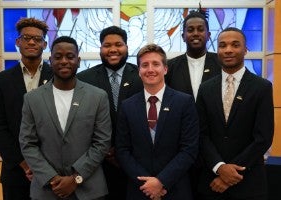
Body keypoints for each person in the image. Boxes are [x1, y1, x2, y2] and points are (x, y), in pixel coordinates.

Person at [19, 36, 112, 200]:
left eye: (70, 56)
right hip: (47, 190)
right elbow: (27, 143)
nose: (64, 61)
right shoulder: (32, 99)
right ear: (50, 60)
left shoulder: (97, 97)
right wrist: (52, 178)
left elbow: (102, 142)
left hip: (89, 191)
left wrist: (75, 179)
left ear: (78, 60)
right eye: (58, 56)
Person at [196, 27, 274, 200]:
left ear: (245, 49)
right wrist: (219, 167)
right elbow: (201, 134)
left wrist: (230, 173)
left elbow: (263, 137)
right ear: (217, 50)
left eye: (235, 45)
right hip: (211, 182)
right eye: (222, 45)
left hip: (249, 183)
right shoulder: (205, 88)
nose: (228, 50)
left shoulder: (262, 87)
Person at [115, 44, 199, 200]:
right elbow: (122, 150)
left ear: (165, 69)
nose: (150, 69)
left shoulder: (184, 102)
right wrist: (149, 184)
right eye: (144, 65)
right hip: (140, 189)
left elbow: (189, 149)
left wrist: (162, 181)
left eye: (156, 64)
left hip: (175, 189)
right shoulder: (127, 106)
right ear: (139, 71)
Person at [0, 17, 52, 200]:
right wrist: (24, 164)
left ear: (45, 44)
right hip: (15, 171)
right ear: (17, 42)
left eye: (37, 39)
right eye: (26, 38)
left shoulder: (57, 77)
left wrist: (43, 166)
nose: (31, 42)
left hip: (53, 170)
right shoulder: (1, 80)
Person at [76, 25, 143, 199]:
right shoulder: (84, 79)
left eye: (118, 44)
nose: (113, 49)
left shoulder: (142, 76)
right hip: (97, 164)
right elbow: (81, 120)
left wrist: (123, 152)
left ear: (127, 47)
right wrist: (104, 149)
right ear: (100, 49)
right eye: (107, 45)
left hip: (135, 161)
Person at [165, 10, 221, 100]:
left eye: (200, 29)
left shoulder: (221, 64)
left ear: (208, 35)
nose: (195, 33)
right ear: (183, 36)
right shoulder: (171, 67)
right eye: (190, 30)